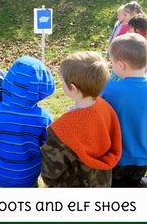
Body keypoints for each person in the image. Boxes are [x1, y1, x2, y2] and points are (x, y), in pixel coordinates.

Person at [41, 51, 122, 187]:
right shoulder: (106, 107)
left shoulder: (59, 131)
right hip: (102, 183)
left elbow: (50, 173)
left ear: (72, 88)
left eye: (62, 81)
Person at [0, 56, 55, 187]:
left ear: (9, 80)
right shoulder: (43, 117)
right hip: (29, 173)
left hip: (0, 171)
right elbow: (46, 143)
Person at [100, 33, 147, 187]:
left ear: (121, 66)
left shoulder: (109, 89)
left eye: (112, 62)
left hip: (118, 158)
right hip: (145, 159)